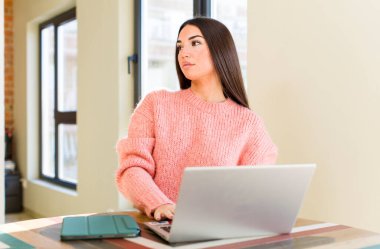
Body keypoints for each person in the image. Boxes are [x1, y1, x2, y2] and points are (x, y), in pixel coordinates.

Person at [116, 17, 278, 221]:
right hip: (158, 226)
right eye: (180, 46)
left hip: (219, 227)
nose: (184, 53)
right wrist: (159, 203)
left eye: (195, 43)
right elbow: (132, 168)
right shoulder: (156, 104)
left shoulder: (249, 123)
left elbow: (254, 191)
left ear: (220, 49)